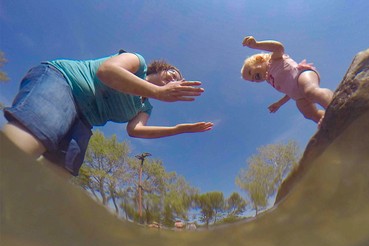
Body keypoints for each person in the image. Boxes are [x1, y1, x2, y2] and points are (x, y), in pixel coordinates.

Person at [3, 50, 213, 176]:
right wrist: (158, 91)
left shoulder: (145, 107)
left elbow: (136, 130)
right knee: (32, 139)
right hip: (64, 81)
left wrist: (180, 129)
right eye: (172, 74)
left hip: (84, 120)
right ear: (159, 69)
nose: (174, 80)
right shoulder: (137, 62)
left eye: (178, 80)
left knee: (58, 174)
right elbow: (107, 72)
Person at [241, 36, 333, 124]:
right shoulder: (270, 80)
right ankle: (327, 121)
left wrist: (256, 45)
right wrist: (279, 103)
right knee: (307, 112)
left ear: (259, 59)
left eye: (250, 72)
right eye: (252, 80)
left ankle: (333, 105)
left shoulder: (273, 60)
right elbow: (289, 92)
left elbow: (279, 48)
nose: (253, 78)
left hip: (301, 75)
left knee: (311, 91)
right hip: (297, 94)